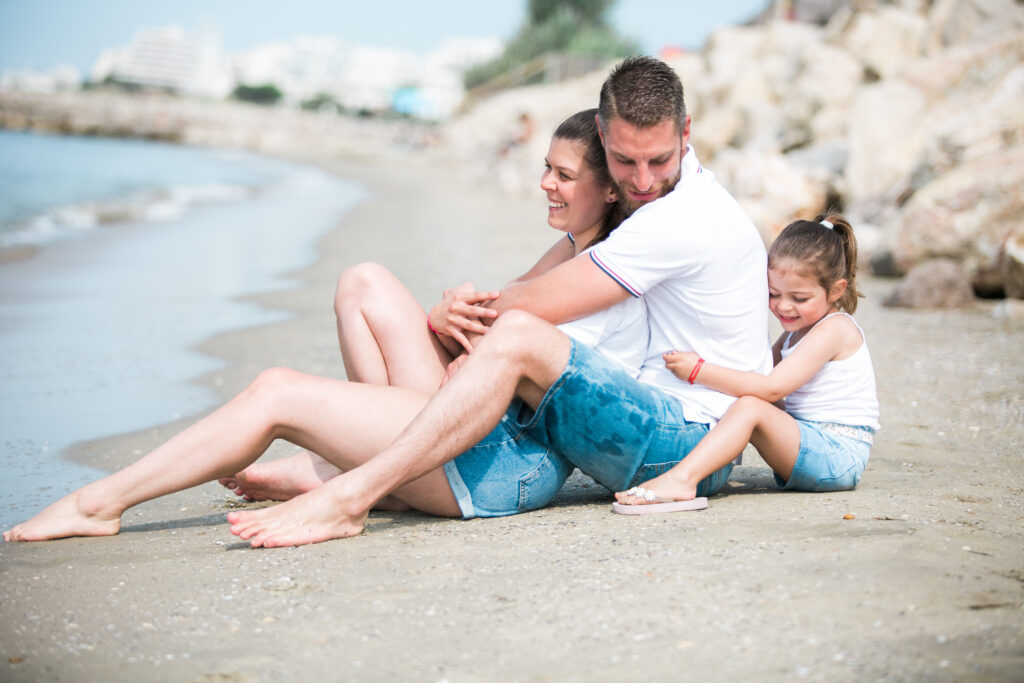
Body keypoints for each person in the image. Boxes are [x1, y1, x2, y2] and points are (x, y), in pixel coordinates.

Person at [3, 109, 645, 542]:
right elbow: (496, 329)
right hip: (475, 431)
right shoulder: (568, 249)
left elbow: (535, 364)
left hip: (505, 467)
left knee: (278, 390)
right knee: (362, 281)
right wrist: (446, 318)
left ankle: (99, 504)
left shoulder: (607, 267)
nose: (544, 185)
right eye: (546, 168)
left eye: (564, 175)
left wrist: (467, 334)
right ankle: (361, 468)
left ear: (610, 188)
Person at [220, 55, 773, 548]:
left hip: (691, 445)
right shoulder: (654, 206)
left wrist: (461, 316)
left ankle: (353, 488)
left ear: (686, 131)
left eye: (658, 159)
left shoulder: (674, 218)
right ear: (603, 137)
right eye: (626, 161)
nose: (644, 180)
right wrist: (460, 316)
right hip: (663, 419)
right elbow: (533, 292)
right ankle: (371, 467)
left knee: (513, 336)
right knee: (409, 306)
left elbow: (531, 307)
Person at [613, 214, 879, 513]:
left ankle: (683, 480)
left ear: (836, 290)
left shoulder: (835, 329)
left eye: (800, 298)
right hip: (813, 443)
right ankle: (688, 462)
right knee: (745, 400)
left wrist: (700, 371)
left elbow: (772, 387)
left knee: (751, 406)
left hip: (839, 455)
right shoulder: (794, 337)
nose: (783, 306)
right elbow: (759, 375)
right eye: (773, 293)